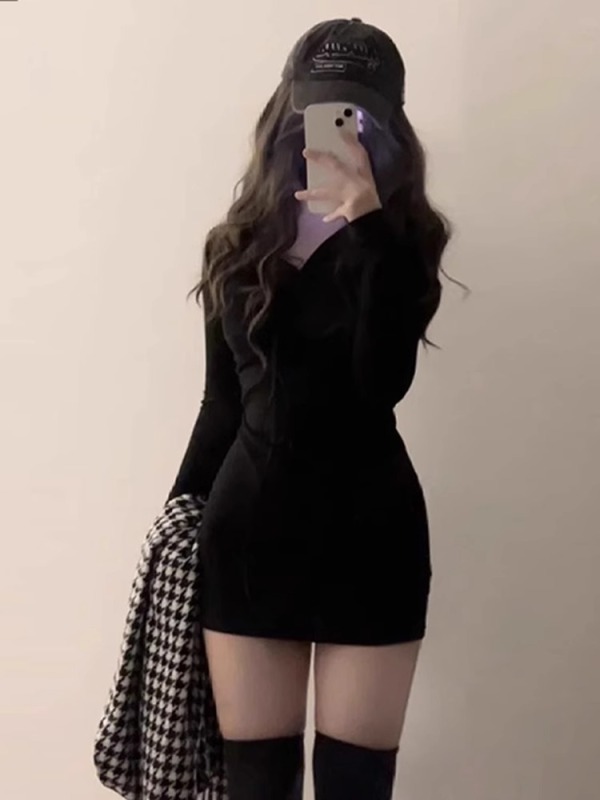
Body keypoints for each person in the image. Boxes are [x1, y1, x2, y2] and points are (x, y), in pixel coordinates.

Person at [167, 17, 450, 800]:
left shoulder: (406, 243)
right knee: (257, 786)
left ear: (387, 125)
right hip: (249, 538)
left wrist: (367, 228)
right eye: (324, 109)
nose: (337, 129)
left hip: (374, 539)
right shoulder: (237, 245)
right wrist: (176, 518)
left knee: (357, 786)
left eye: (356, 115)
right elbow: (221, 403)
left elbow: (382, 383)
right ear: (288, 107)